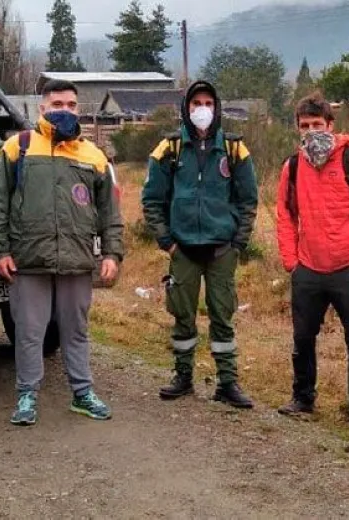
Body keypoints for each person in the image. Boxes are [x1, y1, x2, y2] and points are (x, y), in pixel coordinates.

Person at [0, 79, 125, 426]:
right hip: (30, 261)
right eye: (58, 104)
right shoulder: (20, 148)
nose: (65, 111)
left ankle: (82, 394)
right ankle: (27, 395)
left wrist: (111, 253)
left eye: (72, 105)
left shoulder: (92, 155)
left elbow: (109, 212)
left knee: (76, 331)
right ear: (42, 107)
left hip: (76, 260)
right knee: (30, 332)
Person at [141, 81, 258, 408]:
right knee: (183, 315)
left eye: (208, 102)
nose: (202, 109)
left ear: (217, 107)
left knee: (223, 315)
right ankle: (183, 377)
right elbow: (152, 200)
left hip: (222, 250)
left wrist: (238, 242)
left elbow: (249, 200)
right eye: (196, 103)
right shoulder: (169, 147)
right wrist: (167, 241)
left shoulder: (235, 149)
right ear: (186, 108)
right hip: (183, 250)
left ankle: (227, 383)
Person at [274, 93, 349, 431]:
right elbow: (284, 215)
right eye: (305, 127)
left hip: (346, 269)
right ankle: (303, 397)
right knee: (303, 338)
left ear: (331, 125)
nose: (312, 132)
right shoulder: (293, 166)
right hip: (307, 268)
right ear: (297, 129)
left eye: (317, 125)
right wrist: (291, 262)